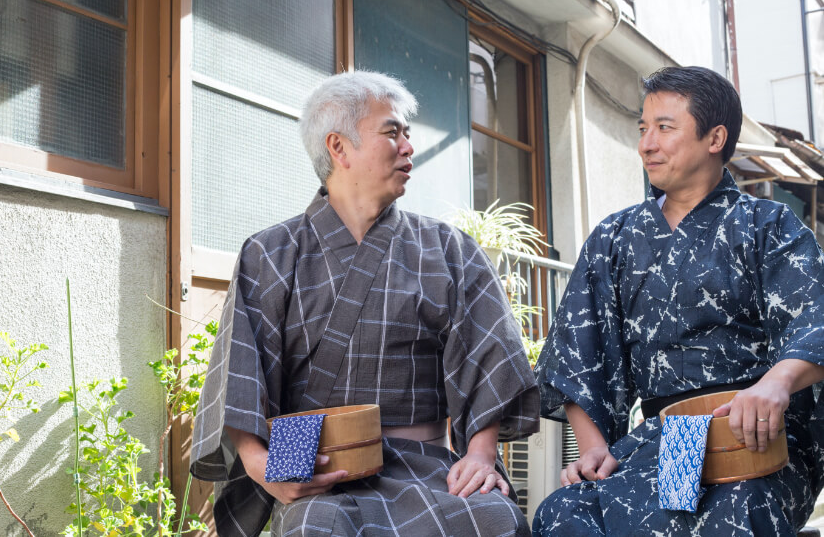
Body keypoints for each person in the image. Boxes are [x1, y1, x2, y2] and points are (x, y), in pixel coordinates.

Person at [190, 71, 540, 536]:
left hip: (429, 461)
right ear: (338, 147)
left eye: (408, 134)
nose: (409, 147)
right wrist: (263, 467)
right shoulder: (269, 252)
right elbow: (239, 374)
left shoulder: (448, 248)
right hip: (312, 459)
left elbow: (489, 356)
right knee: (315, 529)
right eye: (393, 132)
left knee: (498, 520)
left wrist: (479, 455)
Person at [533, 65, 824, 535]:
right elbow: (578, 355)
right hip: (670, 440)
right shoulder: (616, 237)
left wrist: (776, 383)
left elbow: (816, 320)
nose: (647, 143)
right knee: (566, 513)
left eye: (665, 128)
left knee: (732, 512)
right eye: (643, 129)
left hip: (752, 435)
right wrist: (592, 449)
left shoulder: (768, 225)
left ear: (715, 138)